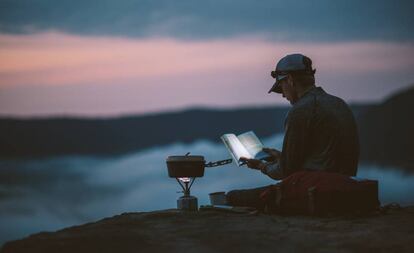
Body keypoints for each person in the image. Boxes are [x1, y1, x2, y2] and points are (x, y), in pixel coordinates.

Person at [226, 53, 360, 209]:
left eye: (281, 86)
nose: (282, 94)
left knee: (232, 197)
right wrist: (281, 157)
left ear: (290, 80)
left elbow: (286, 171)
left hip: (318, 191)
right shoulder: (339, 104)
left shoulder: (301, 110)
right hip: (349, 186)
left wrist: (261, 166)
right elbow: (323, 157)